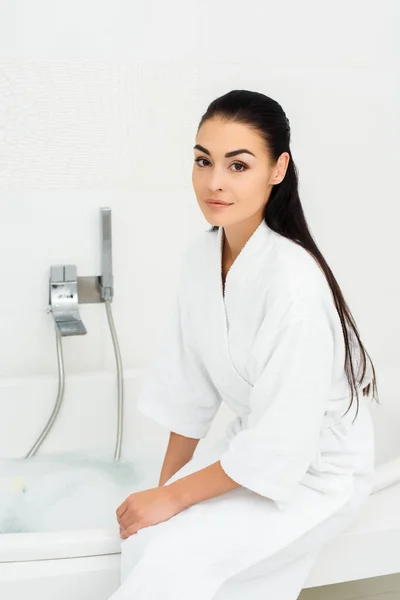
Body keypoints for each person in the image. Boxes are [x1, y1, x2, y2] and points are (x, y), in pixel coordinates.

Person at [109, 89, 378, 600]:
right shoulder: (200, 258)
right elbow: (186, 393)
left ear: (278, 170)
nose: (214, 182)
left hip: (316, 471)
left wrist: (174, 499)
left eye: (238, 165)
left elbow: (282, 446)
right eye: (203, 161)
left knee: (174, 562)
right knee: (147, 538)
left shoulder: (293, 285)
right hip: (254, 445)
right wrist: (165, 495)